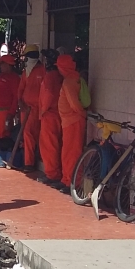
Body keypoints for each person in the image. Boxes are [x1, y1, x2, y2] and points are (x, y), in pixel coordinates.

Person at [57, 54, 87, 190]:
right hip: (70, 120)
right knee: (68, 151)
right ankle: (67, 179)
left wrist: (82, 114)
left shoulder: (69, 81)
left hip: (73, 121)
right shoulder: (73, 79)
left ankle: (72, 182)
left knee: (72, 152)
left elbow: (74, 103)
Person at [38, 49, 65, 190]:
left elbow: (48, 95)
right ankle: (55, 172)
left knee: (49, 145)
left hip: (49, 114)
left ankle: (52, 174)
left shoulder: (51, 76)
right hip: (57, 113)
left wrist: (42, 111)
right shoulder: (59, 76)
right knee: (56, 144)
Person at [16, 44, 45, 171]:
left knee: (37, 135)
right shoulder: (25, 72)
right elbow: (20, 89)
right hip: (26, 109)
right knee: (27, 134)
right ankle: (28, 162)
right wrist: (20, 103)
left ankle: (35, 161)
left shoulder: (43, 71)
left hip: (38, 110)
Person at [0, 55, 20, 141]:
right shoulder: (1, 76)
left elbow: (16, 97)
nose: (0, 65)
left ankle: (1, 153)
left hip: (4, 113)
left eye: (2, 63)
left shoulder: (14, 78)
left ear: (8, 64)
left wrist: (11, 114)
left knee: (2, 137)